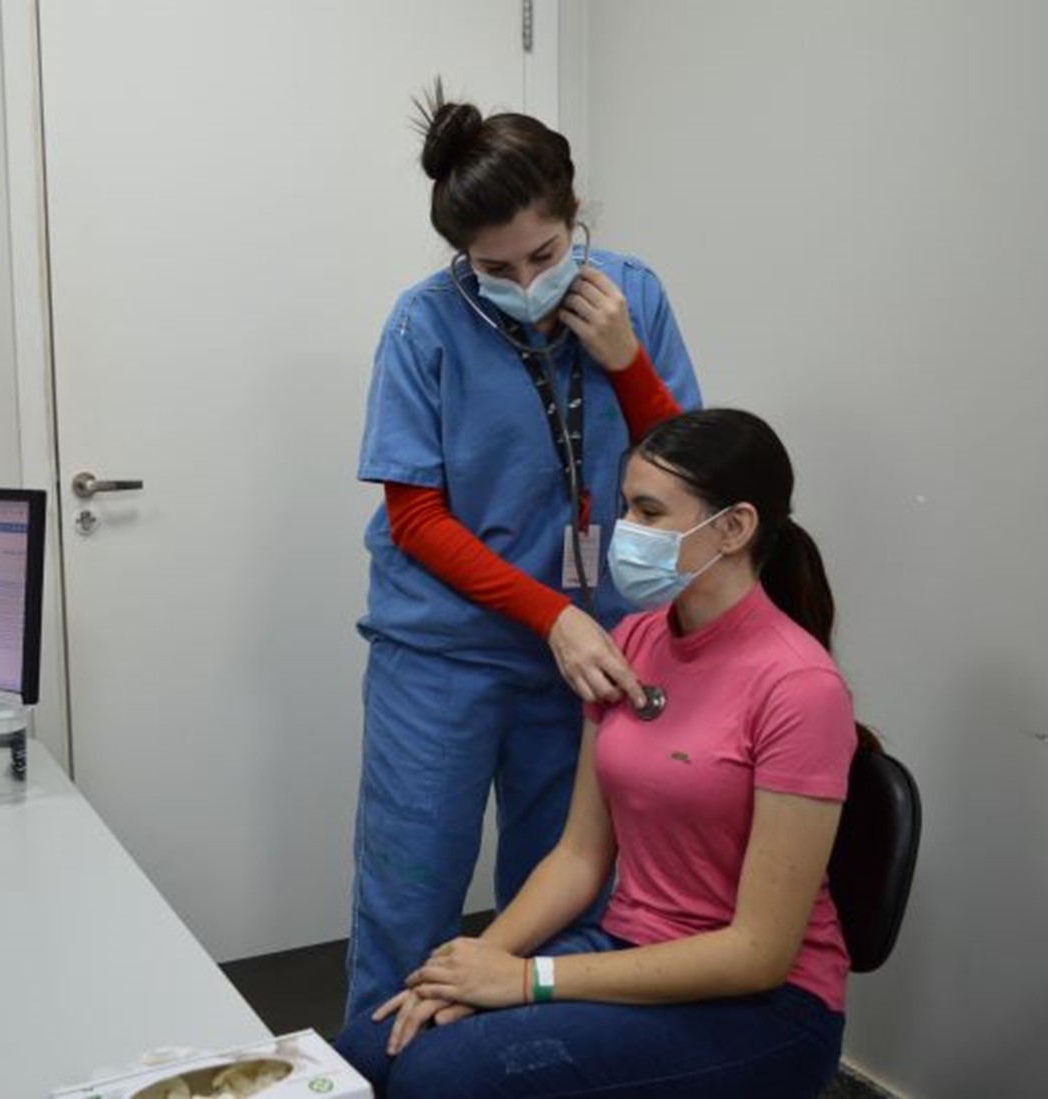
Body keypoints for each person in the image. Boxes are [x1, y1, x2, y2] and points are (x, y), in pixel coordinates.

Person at [336, 408, 860, 1099]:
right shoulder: (635, 641)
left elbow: (757, 953)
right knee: (366, 1050)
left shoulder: (800, 686)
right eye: (625, 507)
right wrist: (481, 961)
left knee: (439, 1078)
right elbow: (579, 856)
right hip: (631, 948)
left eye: (649, 511)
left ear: (734, 527)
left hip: (762, 1008)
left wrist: (527, 978)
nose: (625, 530)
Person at [348, 83, 702, 1024]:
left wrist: (625, 358)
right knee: (408, 894)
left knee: (560, 903)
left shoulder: (634, 295)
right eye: (492, 265)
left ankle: (520, 1072)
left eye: (542, 254)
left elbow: (686, 470)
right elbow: (415, 517)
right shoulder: (424, 323)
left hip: (591, 650)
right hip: (446, 651)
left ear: (573, 213)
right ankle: (375, 1074)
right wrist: (551, 615)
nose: (523, 281)